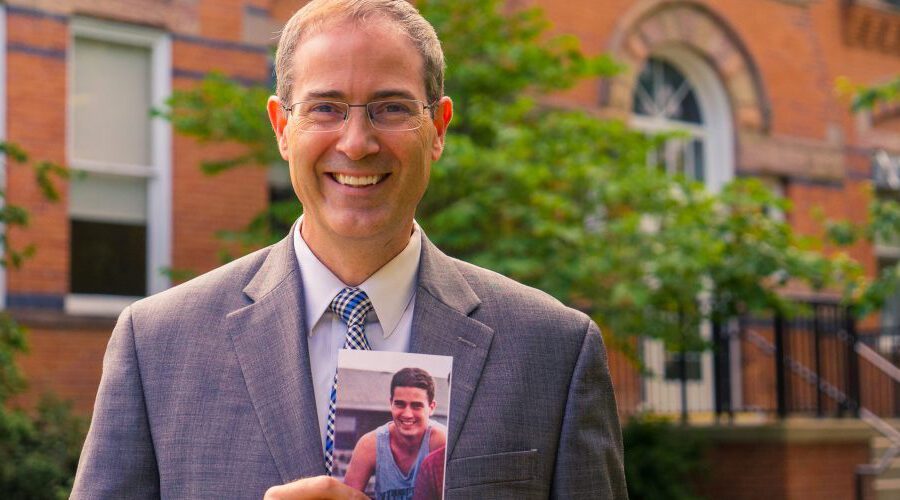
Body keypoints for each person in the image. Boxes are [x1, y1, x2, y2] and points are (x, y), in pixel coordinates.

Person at [72, 0, 626, 498]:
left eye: (390, 108)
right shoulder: (157, 346)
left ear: (438, 128)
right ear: (282, 126)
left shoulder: (553, 352)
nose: (357, 143)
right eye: (326, 108)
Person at [343, 368, 446, 499]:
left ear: (431, 407)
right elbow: (346, 497)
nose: (407, 414)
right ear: (391, 403)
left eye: (416, 406)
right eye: (400, 404)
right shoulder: (370, 444)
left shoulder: (442, 441)